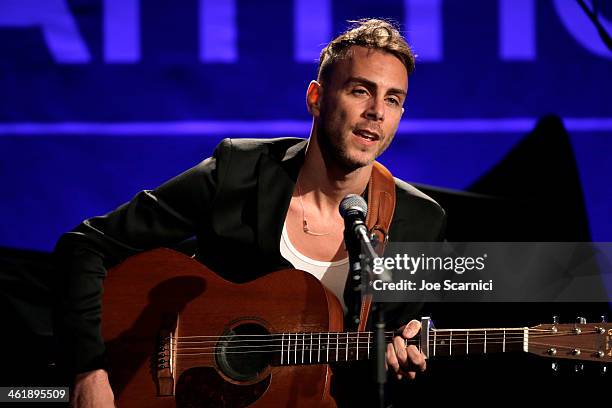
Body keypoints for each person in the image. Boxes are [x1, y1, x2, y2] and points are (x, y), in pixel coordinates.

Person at [54, 18, 446, 407]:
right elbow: (86, 247)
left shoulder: (419, 223)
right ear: (316, 97)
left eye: (393, 99)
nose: (377, 111)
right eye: (361, 91)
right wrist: (88, 369)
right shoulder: (239, 173)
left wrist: (401, 364)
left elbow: (390, 360)